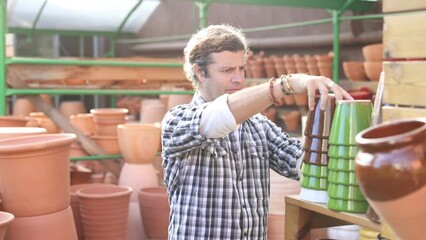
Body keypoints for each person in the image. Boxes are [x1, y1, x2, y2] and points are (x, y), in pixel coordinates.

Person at [161, 24, 353, 239]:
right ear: (200, 72)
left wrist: (345, 132)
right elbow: (215, 119)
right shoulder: (176, 121)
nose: (238, 79)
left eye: (241, 68)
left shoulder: (259, 126)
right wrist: (286, 85)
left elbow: (304, 163)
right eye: (227, 70)